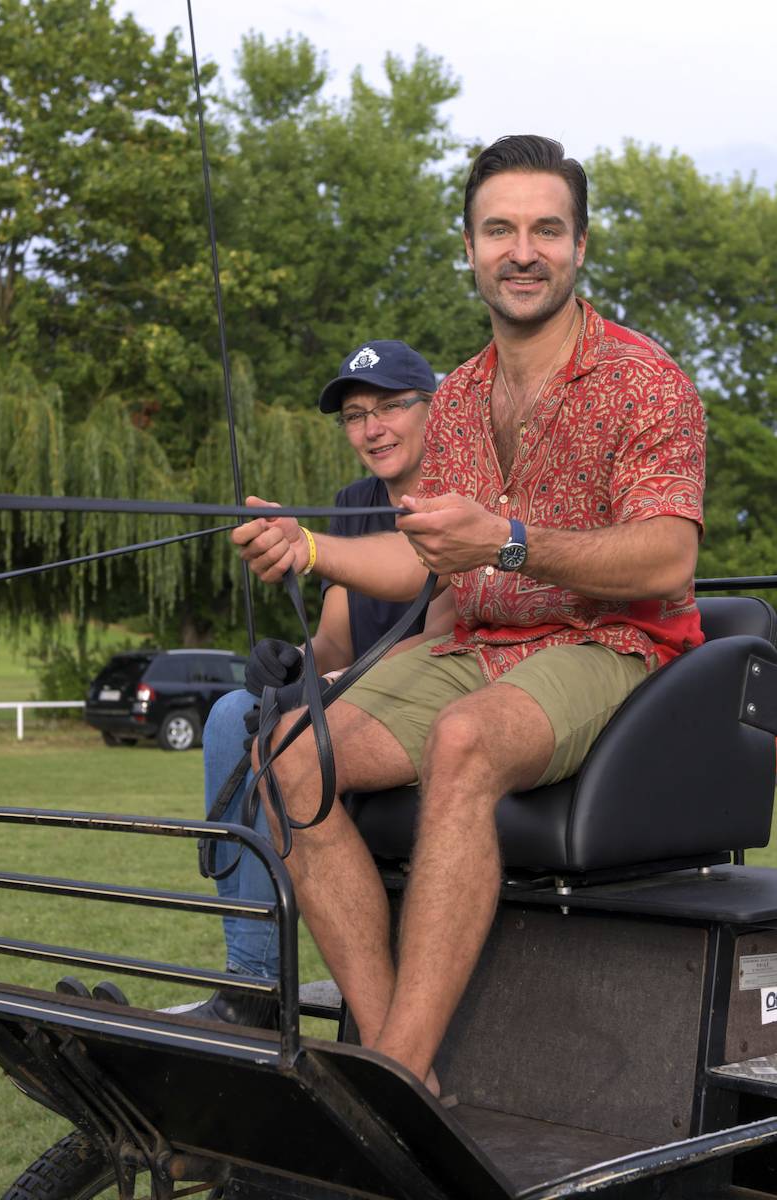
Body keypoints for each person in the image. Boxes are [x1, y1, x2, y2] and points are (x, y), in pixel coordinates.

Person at [233, 135, 705, 1091]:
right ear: (469, 247)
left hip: (604, 641)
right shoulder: (451, 398)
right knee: (285, 754)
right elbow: (422, 557)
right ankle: (392, 1060)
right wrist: (309, 547)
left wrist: (510, 540)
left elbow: (667, 554)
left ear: (580, 246)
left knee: (461, 742)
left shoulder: (645, 379)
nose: (520, 250)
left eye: (544, 228)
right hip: (475, 639)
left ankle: (397, 1067)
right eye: (499, 229)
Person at [189, 339, 454, 1026]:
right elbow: (336, 634)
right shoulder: (353, 502)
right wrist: (295, 660)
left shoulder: (463, 492)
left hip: (421, 692)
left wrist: (334, 680)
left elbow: (444, 636)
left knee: (286, 732)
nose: (372, 429)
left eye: (391, 407)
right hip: (347, 688)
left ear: (434, 408)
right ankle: (255, 985)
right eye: (355, 415)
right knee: (229, 715)